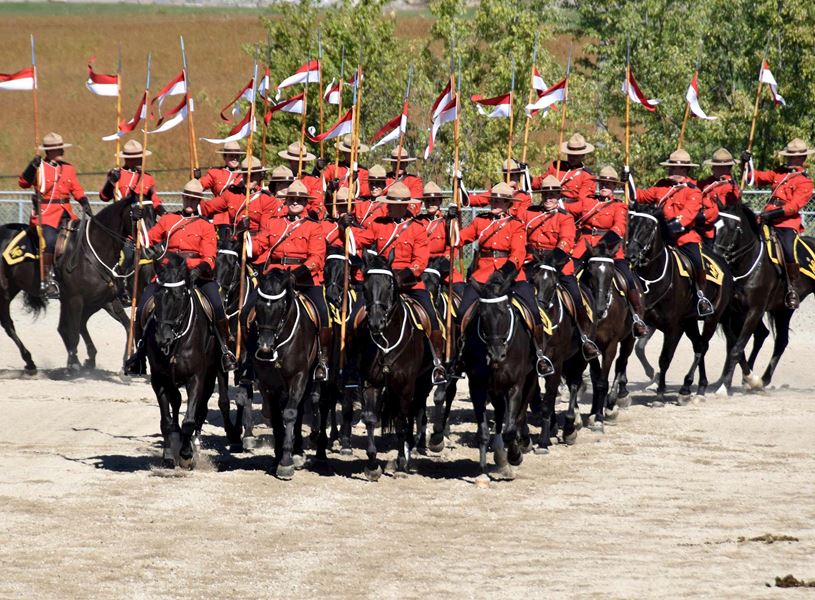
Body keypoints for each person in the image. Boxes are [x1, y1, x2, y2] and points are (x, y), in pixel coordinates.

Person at [125, 179, 237, 375]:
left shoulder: (205, 225)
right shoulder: (168, 220)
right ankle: (140, 355)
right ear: (183, 198)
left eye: (195, 200)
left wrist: (196, 269)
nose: (190, 203)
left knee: (217, 306)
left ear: (199, 201)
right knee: (142, 307)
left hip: (197, 276)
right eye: (188, 198)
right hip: (169, 275)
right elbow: (145, 240)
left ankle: (224, 351)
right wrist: (136, 222)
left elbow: (210, 257)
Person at [339, 181, 445, 383]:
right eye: (390, 203)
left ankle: (437, 363)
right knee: (354, 319)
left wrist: (400, 277)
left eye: (397, 204)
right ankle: (352, 365)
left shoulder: (417, 228)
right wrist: (345, 228)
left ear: (406, 205)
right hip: (380, 282)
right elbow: (359, 240)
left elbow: (420, 262)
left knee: (431, 317)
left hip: (409, 283)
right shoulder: (378, 224)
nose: (392, 207)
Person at [449, 182, 552, 373]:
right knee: (462, 314)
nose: (495, 203)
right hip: (482, 276)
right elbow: (457, 240)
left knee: (534, 312)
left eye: (500, 201)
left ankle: (539, 354)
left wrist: (503, 274)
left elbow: (517, 255)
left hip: (511, 275)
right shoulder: (480, 221)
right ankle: (460, 356)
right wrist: (451, 222)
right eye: (493, 200)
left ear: (508, 204)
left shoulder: (516, 224)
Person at [247, 179, 331, 380]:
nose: (295, 202)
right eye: (291, 198)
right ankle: (249, 363)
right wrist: (246, 238)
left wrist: (295, 275)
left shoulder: (314, 227)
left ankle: (322, 360)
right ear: (286, 201)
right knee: (246, 313)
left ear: (305, 202)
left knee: (323, 314)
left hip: (304, 279)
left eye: (299, 199)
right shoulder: (273, 222)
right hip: (275, 278)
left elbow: (316, 259)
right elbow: (259, 246)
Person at [522, 176, 600, 359]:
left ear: (559, 196)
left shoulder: (565, 218)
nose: (549, 197)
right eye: (546, 194)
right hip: (532, 262)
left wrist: (550, 262)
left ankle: (585, 337)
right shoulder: (529, 213)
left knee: (575, 295)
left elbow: (565, 242)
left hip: (557, 264)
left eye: (553, 194)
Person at [636, 149, 713, 317]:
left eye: (674, 168)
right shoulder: (661, 186)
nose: (670, 171)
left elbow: (687, 216)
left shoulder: (693, 191)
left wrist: (668, 227)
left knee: (697, 263)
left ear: (684, 170)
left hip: (683, 238)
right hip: (659, 238)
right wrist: (627, 180)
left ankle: (701, 297)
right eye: (669, 167)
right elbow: (640, 196)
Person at [574, 166, 648, 337]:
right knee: (566, 277)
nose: (605, 186)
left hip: (610, 250)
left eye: (609, 184)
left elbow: (619, 228)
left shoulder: (619, 206)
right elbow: (568, 208)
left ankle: (637, 317)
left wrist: (601, 246)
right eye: (603, 183)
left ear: (614, 187)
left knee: (628, 280)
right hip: (584, 248)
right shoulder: (587, 202)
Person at [18, 132, 91, 298]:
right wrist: (32, 167)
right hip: (46, 215)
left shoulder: (68, 168)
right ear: (49, 151)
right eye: (58, 149)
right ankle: (47, 280)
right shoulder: (39, 168)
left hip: (66, 213)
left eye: (61, 149)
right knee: (50, 240)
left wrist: (84, 201)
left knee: (82, 236)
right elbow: (23, 183)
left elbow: (76, 189)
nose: (61, 152)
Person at [745, 138, 815, 309]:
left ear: (802, 158)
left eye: (795, 156)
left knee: (789, 251)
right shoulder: (779, 173)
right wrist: (746, 163)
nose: (791, 159)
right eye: (789, 156)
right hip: (766, 219)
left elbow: (793, 206)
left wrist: (773, 214)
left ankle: (792, 288)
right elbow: (753, 178)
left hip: (786, 224)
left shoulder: (805, 181)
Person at [199, 157, 279, 236]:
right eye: (245, 175)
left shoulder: (267, 199)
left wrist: (247, 244)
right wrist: (193, 195)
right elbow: (207, 208)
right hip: (233, 239)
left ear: (259, 176)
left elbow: (264, 233)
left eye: (253, 175)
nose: (248, 178)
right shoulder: (232, 193)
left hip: (252, 243)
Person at [533, 132, 596, 218]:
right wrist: (525, 176)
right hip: (547, 208)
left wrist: (560, 206)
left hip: (568, 213)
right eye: (570, 154)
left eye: (576, 155)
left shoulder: (587, 176)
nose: (572, 157)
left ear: (583, 155)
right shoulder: (556, 166)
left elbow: (582, 204)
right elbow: (540, 183)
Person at [416, 181, 464, 294]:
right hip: (422, 266)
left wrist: (446, 259)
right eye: (427, 200)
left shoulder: (447, 222)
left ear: (440, 201)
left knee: (461, 294)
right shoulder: (417, 222)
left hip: (442, 266)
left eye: (434, 200)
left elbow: (454, 244)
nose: (430, 203)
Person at [100, 140, 165, 215]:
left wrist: (164, 213)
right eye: (137, 158)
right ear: (127, 159)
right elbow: (104, 197)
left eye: (141, 157)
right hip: (121, 217)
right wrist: (110, 182)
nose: (141, 160)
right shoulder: (116, 174)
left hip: (143, 218)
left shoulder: (148, 178)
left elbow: (155, 201)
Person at [198, 140, 244, 237]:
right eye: (231, 156)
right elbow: (197, 188)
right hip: (220, 218)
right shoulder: (215, 173)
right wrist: (195, 179)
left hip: (240, 217)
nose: (234, 159)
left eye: (237, 156)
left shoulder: (246, 175)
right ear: (225, 157)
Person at [466, 159, 532, 216]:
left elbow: (521, 218)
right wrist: (462, 194)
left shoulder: (524, 196)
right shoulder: (497, 190)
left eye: (512, 174)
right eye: (505, 174)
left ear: (518, 176)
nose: (508, 177)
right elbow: (477, 199)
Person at [278, 141, 324, 213]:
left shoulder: (314, 181)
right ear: (290, 161)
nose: (302, 163)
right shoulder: (280, 179)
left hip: (305, 220)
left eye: (304, 161)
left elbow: (317, 206)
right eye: (298, 161)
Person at [322, 134, 370, 200]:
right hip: (335, 206)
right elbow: (320, 183)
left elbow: (366, 193)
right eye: (349, 153)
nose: (353, 155)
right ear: (344, 152)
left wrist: (354, 182)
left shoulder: (364, 172)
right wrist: (330, 188)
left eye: (356, 153)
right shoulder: (333, 168)